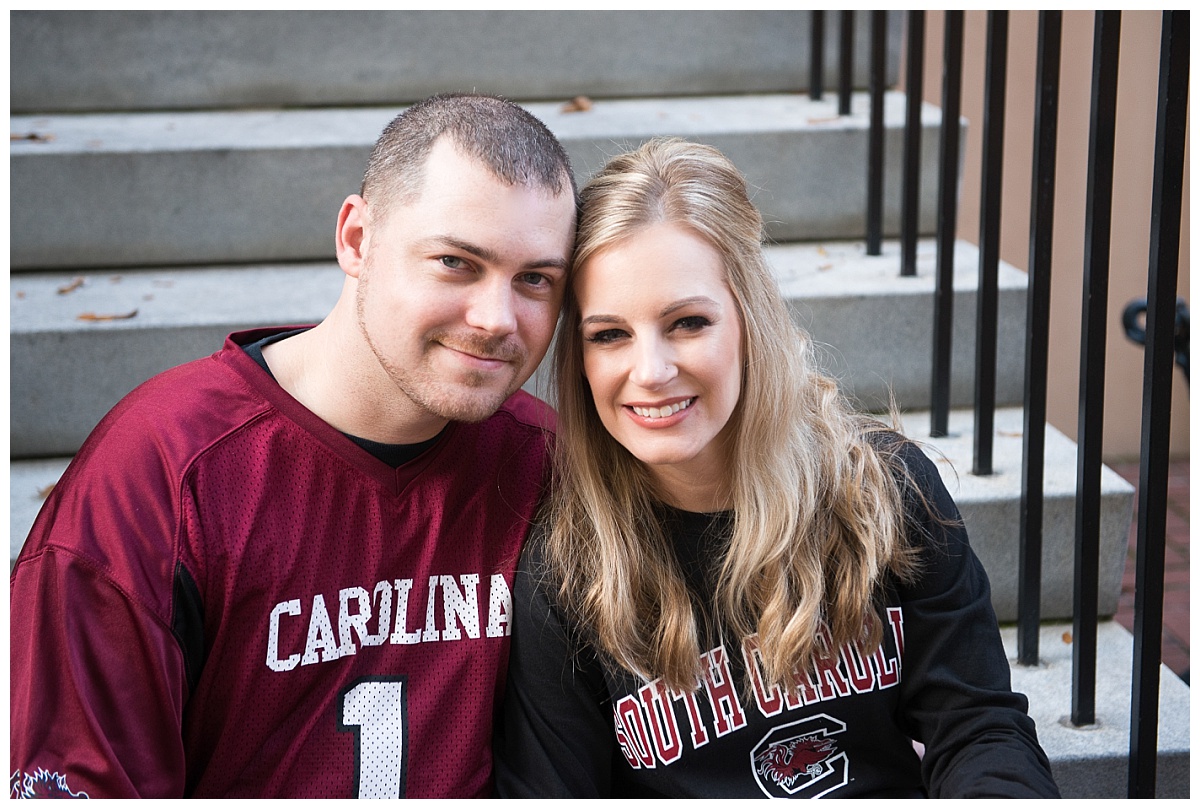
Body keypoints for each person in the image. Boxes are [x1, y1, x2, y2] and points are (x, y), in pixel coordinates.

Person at [10, 93, 577, 799]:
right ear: (357, 239)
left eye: (535, 279)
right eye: (456, 262)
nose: (497, 319)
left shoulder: (545, 465)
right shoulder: (163, 471)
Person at [494, 138, 1061, 798]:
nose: (649, 372)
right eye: (609, 334)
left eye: (686, 322)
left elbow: (979, 727)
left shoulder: (883, 493)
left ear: (749, 320)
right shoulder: (567, 574)